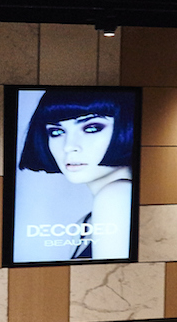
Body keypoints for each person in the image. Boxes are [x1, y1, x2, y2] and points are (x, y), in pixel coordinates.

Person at [18, 90, 134, 259]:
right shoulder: (85, 223)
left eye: (92, 128)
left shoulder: (117, 195)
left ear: (127, 127)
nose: (68, 146)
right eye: (57, 132)